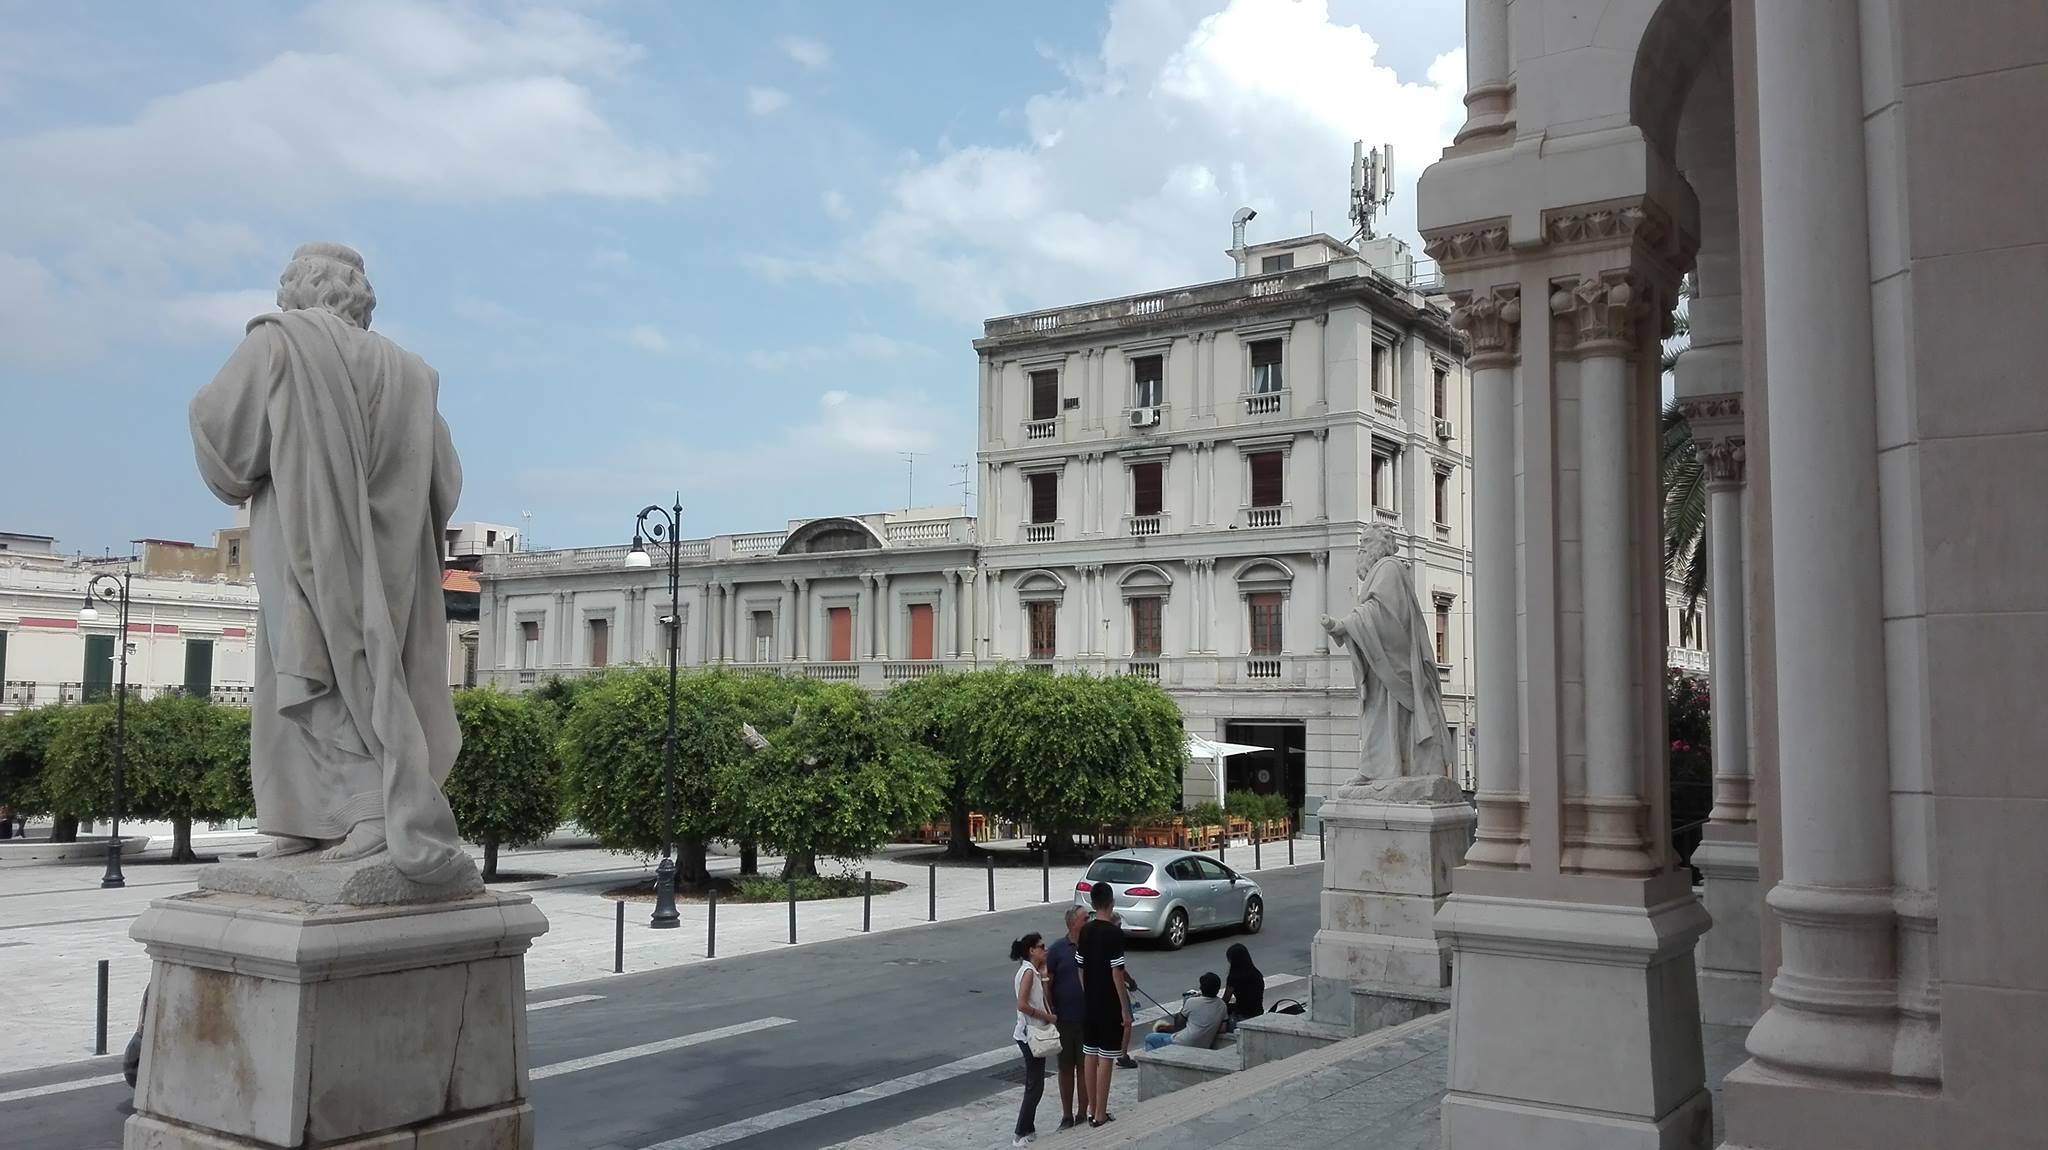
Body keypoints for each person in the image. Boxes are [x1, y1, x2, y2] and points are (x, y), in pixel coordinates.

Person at [189, 242, 470, 883]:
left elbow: (228, 451)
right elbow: (446, 480)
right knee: (370, 667)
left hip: (307, 545)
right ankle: (309, 818)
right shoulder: (411, 372)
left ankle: (368, 808)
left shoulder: (279, 342)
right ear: (359, 297)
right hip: (392, 561)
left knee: (312, 665)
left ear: (296, 288)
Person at [1076, 880, 1130, 1129]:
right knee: (1106, 1057)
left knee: (1089, 1053)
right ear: (1111, 902)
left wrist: (1087, 991)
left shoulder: (1085, 931)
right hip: (1108, 1001)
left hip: (1090, 1001)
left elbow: (1080, 967)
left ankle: (1089, 1109)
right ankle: (1100, 1113)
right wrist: (1124, 1007)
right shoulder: (1114, 933)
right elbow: (1117, 973)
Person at [1042, 906, 1089, 1128]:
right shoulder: (1058, 950)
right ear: (1072, 924)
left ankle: (1083, 1113)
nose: (1088, 921)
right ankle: (1067, 1114)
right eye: (1084, 919)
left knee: (1085, 1067)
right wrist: (1050, 1009)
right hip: (1064, 1019)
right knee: (1066, 1068)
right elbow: (1047, 982)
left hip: (1088, 1018)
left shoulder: (1092, 946)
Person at [1009, 933, 1056, 1146]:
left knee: (1036, 1084)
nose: (1045, 950)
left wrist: (1044, 975)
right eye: (1041, 946)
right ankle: (1021, 1132)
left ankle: (1029, 1128)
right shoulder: (1027, 972)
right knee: (1034, 1085)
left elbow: (1042, 997)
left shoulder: (1033, 972)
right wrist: (1046, 1017)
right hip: (1030, 1034)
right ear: (1031, 950)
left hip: (1033, 1033)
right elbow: (1023, 1004)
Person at [1144, 972, 1228, 1050]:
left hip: (1182, 1042)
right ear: (1217, 989)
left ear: (1201, 988)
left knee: (1149, 1038)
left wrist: (1179, 1015)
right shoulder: (1222, 1005)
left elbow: (1179, 1025)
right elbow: (1222, 1029)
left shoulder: (1192, 1001)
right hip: (1204, 1045)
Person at [1224, 942, 1265, 1025]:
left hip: (1243, 1014)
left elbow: (1226, 999)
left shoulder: (1234, 977)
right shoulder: (1256, 973)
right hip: (1258, 1011)